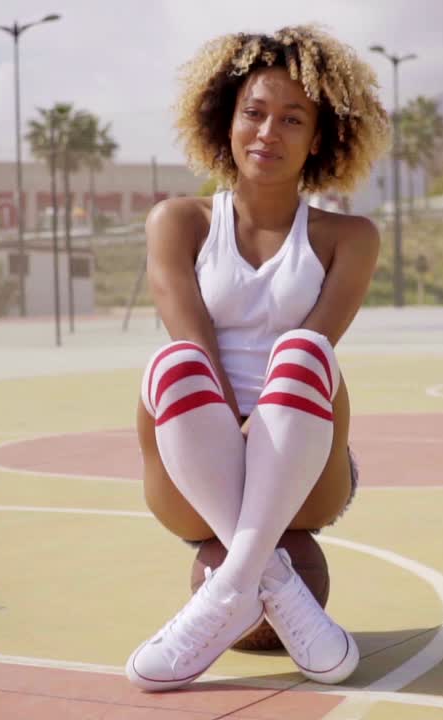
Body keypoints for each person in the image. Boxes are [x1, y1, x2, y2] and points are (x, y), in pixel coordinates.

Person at [125, 25, 390, 692]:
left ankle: (223, 596)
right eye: (255, 112)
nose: (269, 132)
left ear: (320, 138)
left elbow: (322, 344)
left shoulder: (351, 237)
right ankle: (268, 583)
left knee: (304, 350)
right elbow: (195, 344)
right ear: (226, 119)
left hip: (301, 460)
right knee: (173, 364)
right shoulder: (178, 222)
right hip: (197, 456)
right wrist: (233, 434)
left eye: (293, 119)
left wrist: (260, 432)